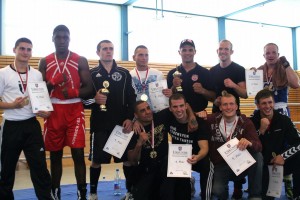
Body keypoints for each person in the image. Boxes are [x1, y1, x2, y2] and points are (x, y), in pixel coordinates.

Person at [39, 25, 93, 200]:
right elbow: (39, 91)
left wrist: (73, 92)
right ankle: (55, 192)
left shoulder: (80, 60)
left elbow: (90, 88)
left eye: (65, 37)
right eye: (58, 37)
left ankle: (81, 194)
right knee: (55, 155)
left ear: (69, 39)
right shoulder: (45, 61)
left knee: (78, 153)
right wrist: (52, 82)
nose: (62, 40)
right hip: (53, 111)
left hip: (74, 110)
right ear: (52, 38)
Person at [0, 37, 52, 199]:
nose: (25, 52)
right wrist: (12, 106)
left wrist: (46, 112)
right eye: (22, 48)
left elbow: (42, 100)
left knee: (40, 167)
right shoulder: (3, 73)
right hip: (11, 126)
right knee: (7, 169)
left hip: (31, 125)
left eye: (29, 49)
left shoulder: (36, 74)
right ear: (14, 50)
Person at [84, 40, 136, 200]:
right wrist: (95, 100)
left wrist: (129, 118)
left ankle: (130, 192)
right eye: (104, 49)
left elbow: (132, 98)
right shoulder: (91, 74)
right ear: (98, 52)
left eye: (111, 49)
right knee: (96, 161)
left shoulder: (124, 73)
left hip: (122, 125)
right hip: (99, 125)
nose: (108, 51)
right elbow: (83, 101)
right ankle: (93, 193)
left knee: (127, 160)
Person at [252, 43, 300, 198]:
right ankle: (260, 180)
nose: (271, 55)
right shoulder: (259, 69)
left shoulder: (283, 67)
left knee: (285, 145)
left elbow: (296, 84)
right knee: (263, 144)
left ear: (278, 54)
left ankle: (288, 181)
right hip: (261, 110)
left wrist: (287, 65)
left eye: (274, 52)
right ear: (264, 54)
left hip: (280, 111)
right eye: (268, 53)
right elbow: (251, 91)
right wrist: (251, 76)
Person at [199, 91, 263, 200]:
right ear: (220, 107)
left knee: (258, 156)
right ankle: (223, 194)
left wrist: (249, 142)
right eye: (225, 104)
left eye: (231, 104)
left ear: (236, 106)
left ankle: (255, 196)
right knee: (217, 191)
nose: (228, 107)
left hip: (240, 163)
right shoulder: (210, 120)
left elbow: (259, 146)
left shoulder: (245, 122)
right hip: (221, 165)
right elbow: (190, 119)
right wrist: (199, 115)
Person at [164, 93, 209, 200]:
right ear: (170, 108)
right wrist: (135, 121)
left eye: (181, 106)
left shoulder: (198, 123)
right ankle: (186, 184)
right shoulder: (168, 118)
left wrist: (197, 157)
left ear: (186, 106)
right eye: (175, 107)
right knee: (165, 162)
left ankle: (206, 196)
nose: (179, 109)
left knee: (207, 165)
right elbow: (150, 118)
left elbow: (204, 148)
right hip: (179, 158)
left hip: (197, 157)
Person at [127, 100, 170, 200]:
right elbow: (133, 161)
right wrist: (139, 144)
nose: (148, 112)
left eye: (148, 108)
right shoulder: (133, 131)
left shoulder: (161, 117)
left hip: (164, 169)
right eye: (142, 111)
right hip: (146, 171)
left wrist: (192, 115)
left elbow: (182, 106)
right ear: (136, 115)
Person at [167, 39, 215, 112]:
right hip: (177, 115)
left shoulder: (205, 73)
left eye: (190, 50)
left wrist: (203, 91)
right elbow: (167, 98)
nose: (187, 53)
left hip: (199, 115)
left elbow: (214, 97)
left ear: (194, 52)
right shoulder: (172, 73)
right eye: (184, 50)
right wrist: (173, 87)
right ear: (179, 52)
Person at [210, 39, 247, 114]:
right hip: (217, 113)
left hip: (233, 113)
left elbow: (245, 94)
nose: (223, 51)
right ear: (217, 51)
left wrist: (234, 85)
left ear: (231, 52)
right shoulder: (212, 70)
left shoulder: (239, 69)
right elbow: (210, 94)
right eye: (220, 49)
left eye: (226, 49)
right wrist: (215, 101)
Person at [130, 45, 172, 111]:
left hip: (156, 112)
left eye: (146, 55)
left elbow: (164, 96)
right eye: (141, 55)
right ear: (134, 57)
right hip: (137, 113)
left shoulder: (158, 74)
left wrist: (168, 93)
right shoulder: (129, 75)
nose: (144, 58)